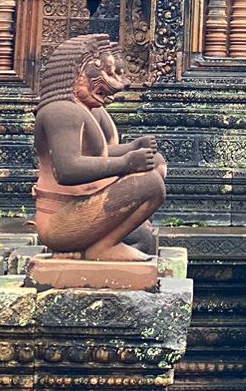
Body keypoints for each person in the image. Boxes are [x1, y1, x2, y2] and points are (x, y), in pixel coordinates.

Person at [33, 34, 166, 261]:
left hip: (81, 208)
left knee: (156, 165)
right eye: (108, 73)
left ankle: (107, 242)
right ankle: (103, 247)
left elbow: (97, 155)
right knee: (150, 183)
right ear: (77, 72)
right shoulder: (61, 111)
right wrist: (127, 163)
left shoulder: (87, 110)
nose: (119, 84)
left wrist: (132, 148)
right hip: (60, 219)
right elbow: (67, 170)